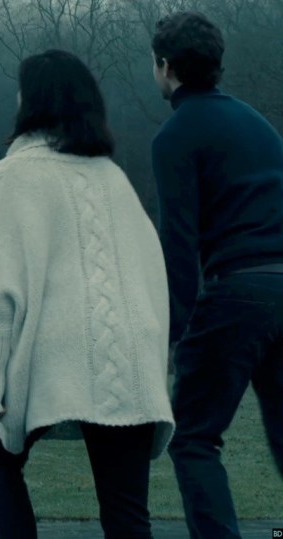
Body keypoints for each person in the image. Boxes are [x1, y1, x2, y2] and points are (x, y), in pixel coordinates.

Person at [0, 49, 175, 539]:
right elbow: (154, 276)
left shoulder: (14, 174)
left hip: (58, 349)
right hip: (130, 354)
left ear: (33, 100)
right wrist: (156, 359)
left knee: (0, 463)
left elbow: (4, 283)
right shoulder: (114, 178)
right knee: (126, 511)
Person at [150, 11, 283, 539]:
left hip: (238, 289)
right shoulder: (259, 125)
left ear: (165, 66)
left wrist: (173, 336)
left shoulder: (175, 135)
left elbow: (179, 246)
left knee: (194, 438)